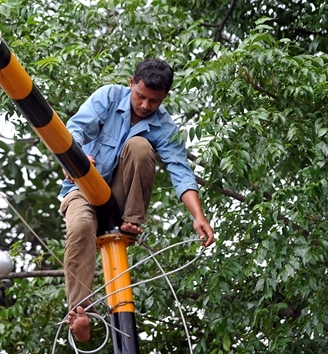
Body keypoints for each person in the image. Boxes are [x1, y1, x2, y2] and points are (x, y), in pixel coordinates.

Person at [60, 58, 215, 343]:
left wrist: (199, 217)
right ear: (131, 83)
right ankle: (81, 312)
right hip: (82, 186)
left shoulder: (165, 127)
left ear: (164, 98)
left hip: (120, 201)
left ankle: (131, 221)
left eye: (153, 101)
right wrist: (76, 158)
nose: (145, 106)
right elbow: (75, 130)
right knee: (81, 227)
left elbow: (181, 172)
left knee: (141, 146)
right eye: (141, 96)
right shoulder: (109, 96)